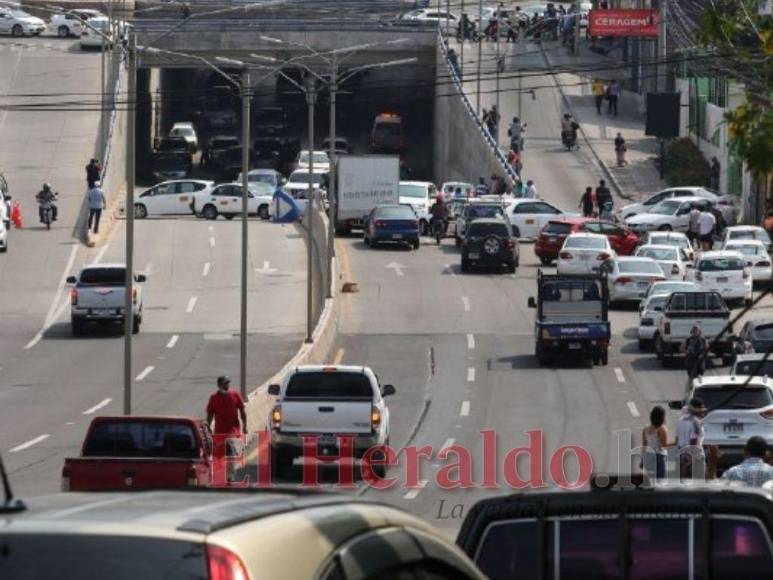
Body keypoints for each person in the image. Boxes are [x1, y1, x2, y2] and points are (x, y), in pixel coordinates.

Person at [206, 376, 247, 480]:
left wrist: (245, 425)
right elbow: (210, 414)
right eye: (224, 384)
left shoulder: (235, 395)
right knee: (219, 453)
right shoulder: (214, 398)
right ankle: (217, 473)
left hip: (232, 429)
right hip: (219, 430)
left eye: (227, 383)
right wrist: (208, 427)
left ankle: (230, 475)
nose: (227, 385)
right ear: (219, 385)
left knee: (230, 447)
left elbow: (242, 411)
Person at [675, 397, 706, 479]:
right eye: (702, 409)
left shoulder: (680, 420)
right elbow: (693, 441)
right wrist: (690, 461)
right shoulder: (696, 422)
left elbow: (677, 440)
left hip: (681, 455)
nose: (703, 412)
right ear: (697, 410)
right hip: (694, 458)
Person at [642, 405, 669, 481]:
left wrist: (642, 459)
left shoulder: (645, 429)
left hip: (648, 456)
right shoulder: (662, 429)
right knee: (661, 481)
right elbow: (664, 445)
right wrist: (676, 442)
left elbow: (644, 445)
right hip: (659, 456)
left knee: (650, 480)